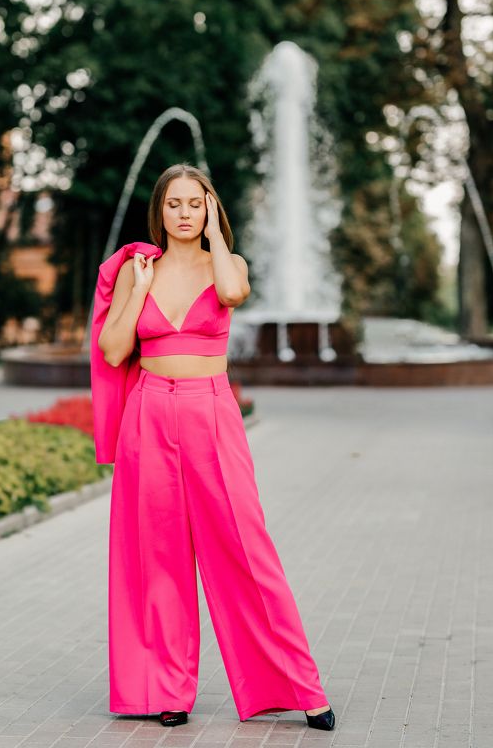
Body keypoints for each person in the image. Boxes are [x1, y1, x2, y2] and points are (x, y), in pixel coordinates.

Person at [92, 162, 335, 731]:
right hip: (149, 412)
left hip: (212, 413)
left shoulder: (229, 264)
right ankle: (166, 690)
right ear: (159, 211)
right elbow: (113, 350)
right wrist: (140, 290)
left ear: (210, 210)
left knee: (245, 548)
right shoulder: (136, 270)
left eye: (195, 203)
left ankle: (298, 687)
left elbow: (231, 292)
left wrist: (217, 239)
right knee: (158, 556)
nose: (184, 213)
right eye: (174, 203)